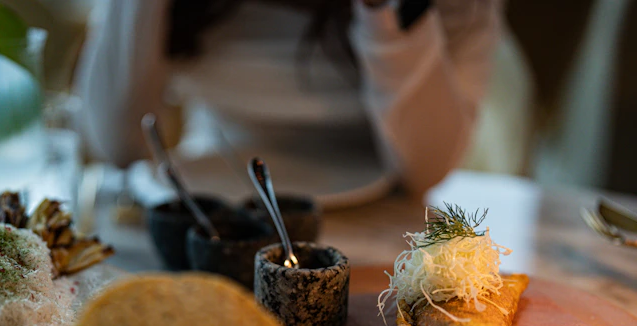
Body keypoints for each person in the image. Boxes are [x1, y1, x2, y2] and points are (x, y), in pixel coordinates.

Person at [75, 0, 503, 201]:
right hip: (216, 193)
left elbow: (426, 171)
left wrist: (385, 16)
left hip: (382, 216)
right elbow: (116, 144)